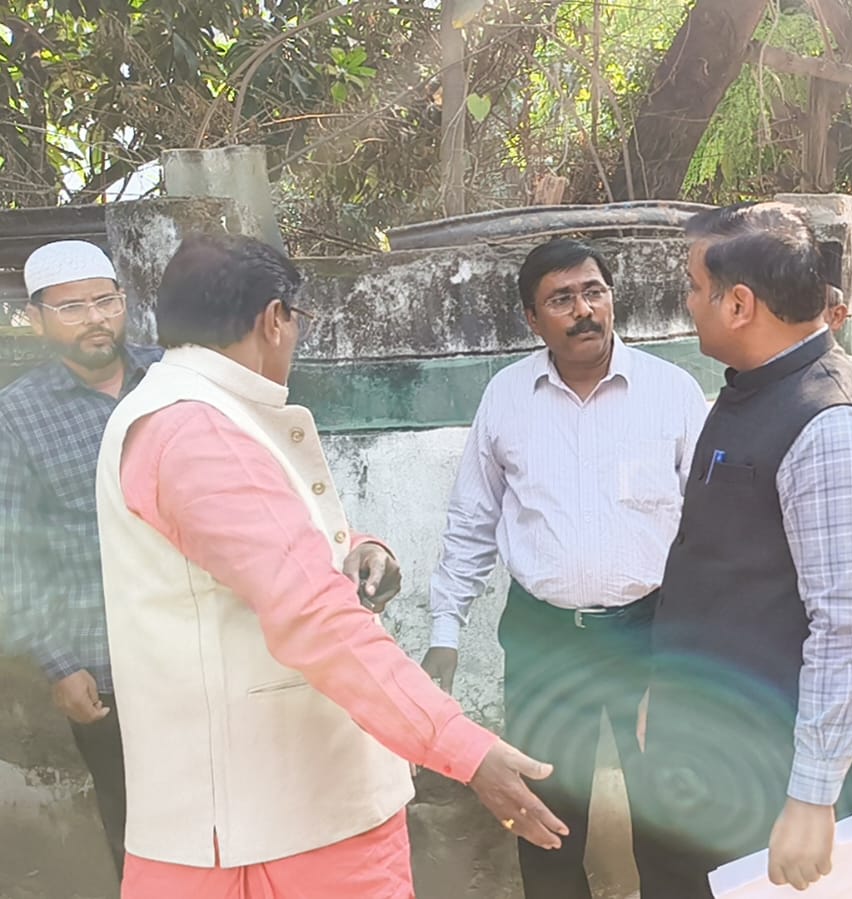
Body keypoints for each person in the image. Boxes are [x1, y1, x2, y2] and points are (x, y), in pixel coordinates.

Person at [96, 234, 567, 896]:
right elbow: (312, 612)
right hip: (280, 824)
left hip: (261, 816)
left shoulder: (200, 414)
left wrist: (358, 549)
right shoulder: (197, 430)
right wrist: (462, 745)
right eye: (297, 320)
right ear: (273, 318)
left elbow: (260, 552)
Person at [421, 239, 707, 899]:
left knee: (671, 816)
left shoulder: (671, 392)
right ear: (532, 318)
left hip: (650, 633)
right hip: (545, 639)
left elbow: (708, 527)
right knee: (546, 818)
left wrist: (698, 642)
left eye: (593, 292)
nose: (583, 311)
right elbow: (472, 519)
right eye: (561, 299)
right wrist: (445, 631)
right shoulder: (507, 397)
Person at [635, 202, 852, 898]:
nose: (688, 303)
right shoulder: (750, 393)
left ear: (739, 304)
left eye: (695, 288)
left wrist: (812, 797)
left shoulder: (831, 426)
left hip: (772, 774)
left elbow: (847, 626)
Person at [0, 240, 160, 880]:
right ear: (35, 320)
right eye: (72, 308)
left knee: (231, 809)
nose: (96, 319)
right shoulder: (17, 414)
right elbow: (14, 548)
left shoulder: (175, 378)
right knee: (135, 825)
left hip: (205, 643)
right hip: (105, 661)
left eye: (106, 301)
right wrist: (59, 664)